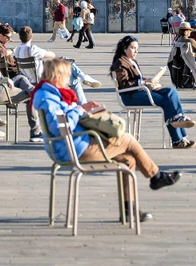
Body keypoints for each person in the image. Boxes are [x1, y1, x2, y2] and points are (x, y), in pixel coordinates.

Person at [32, 57, 180, 221]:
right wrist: (80, 111)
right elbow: (58, 126)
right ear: (58, 76)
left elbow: (64, 118)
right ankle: (156, 176)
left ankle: (129, 211)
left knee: (128, 160)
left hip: (72, 144)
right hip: (73, 148)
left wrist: (81, 108)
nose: (68, 80)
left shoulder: (49, 93)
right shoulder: (47, 97)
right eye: (66, 76)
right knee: (128, 139)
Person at [112, 36, 196, 149]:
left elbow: (139, 79)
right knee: (166, 101)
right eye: (132, 48)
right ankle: (178, 138)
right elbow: (124, 84)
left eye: (137, 48)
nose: (135, 51)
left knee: (171, 91)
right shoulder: (120, 63)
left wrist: (151, 81)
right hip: (130, 96)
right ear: (124, 48)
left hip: (140, 91)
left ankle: (178, 118)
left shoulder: (132, 61)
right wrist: (143, 83)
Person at [14, 26, 100, 102]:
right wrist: (48, 51)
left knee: (65, 61)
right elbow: (52, 55)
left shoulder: (17, 50)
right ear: (31, 36)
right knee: (73, 78)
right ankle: (83, 80)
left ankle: (83, 76)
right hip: (42, 80)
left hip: (28, 80)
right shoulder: (33, 49)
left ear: (19, 37)